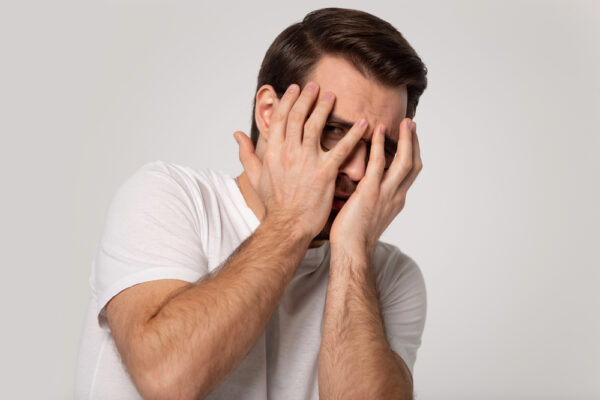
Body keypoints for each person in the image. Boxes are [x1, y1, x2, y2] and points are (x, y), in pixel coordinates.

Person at [75, 7, 428, 400]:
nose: (361, 170)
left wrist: (354, 250)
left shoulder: (391, 276)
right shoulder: (167, 197)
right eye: (334, 131)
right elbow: (166, 378)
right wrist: (292, 223)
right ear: (269, 113)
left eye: (384, 148)